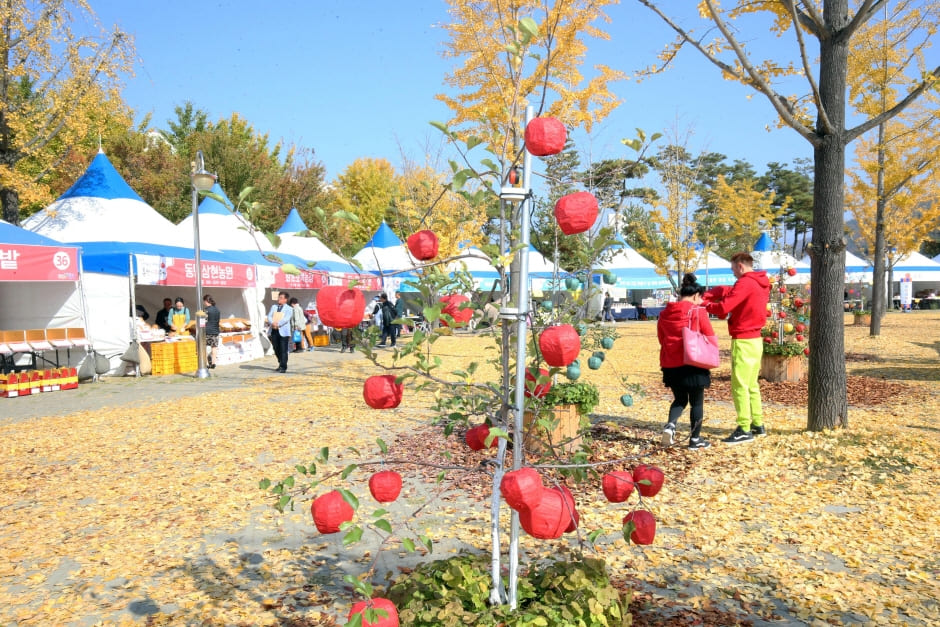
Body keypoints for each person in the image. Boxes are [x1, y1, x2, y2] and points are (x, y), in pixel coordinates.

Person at [704, 252, 770, 444]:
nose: (733, 274)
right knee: (751, 385)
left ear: (740, 266)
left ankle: (744, 428)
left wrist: (705, 304)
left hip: (743, 339)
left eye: (733, 269)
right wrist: (712, 293)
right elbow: (729, 291)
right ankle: (758, 424)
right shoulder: (760, 282)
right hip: (756, 339)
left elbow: (725, 307)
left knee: (739, 385)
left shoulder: (745, 283)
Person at [657, 273, 716, 450]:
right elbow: (710, 335)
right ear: (696, 295)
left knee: (680, 399)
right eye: (701, 299)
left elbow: (662, 338)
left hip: (671, 364)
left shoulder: (664, 313)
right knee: (696, 402)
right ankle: (695, 440)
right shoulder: (698, 311)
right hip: (693, 362)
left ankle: (670, 426)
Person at [267, 291, 292, 372]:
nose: (279, 299)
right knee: (276, 348)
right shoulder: (274, 307)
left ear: (285, 299)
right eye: (279, 297)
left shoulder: (289, 308)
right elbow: (269, 316)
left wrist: (278, 324)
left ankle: (283, 366)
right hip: (274, 330)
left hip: (283, 331)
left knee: (283, 349)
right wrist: (272, 322)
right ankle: (280, 362)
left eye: (281, 298)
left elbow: (286, 318)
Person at [203, 294, 221, 368]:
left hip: (207, 331)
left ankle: (206, 364)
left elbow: (204, 321)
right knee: (214, 347)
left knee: (205, 347)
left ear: (206, 301)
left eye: (204, 301)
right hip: (215, 331)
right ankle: (213, 363)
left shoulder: (206, 310)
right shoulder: (217, 310)